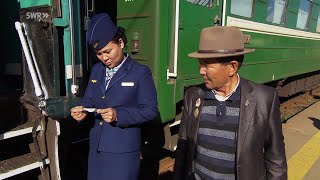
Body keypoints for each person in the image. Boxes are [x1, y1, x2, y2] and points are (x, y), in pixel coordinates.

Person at [173, 26, 287, 180]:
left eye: (207, 64)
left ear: (232, 67)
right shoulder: (193, 96)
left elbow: (276, 160)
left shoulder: (263, 99)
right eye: (200, 64)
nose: (201, 70)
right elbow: (183, 147)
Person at [70, 13, 158, 180]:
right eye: (99, 54)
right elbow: (89, 100)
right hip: (96, 148)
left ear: (121, 43)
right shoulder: (97, 70)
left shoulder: (140, 72)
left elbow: (150, 110)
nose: (104, 58)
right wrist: (82, 112)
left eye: (107, 51)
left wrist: (119, 115)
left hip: (122, 152)